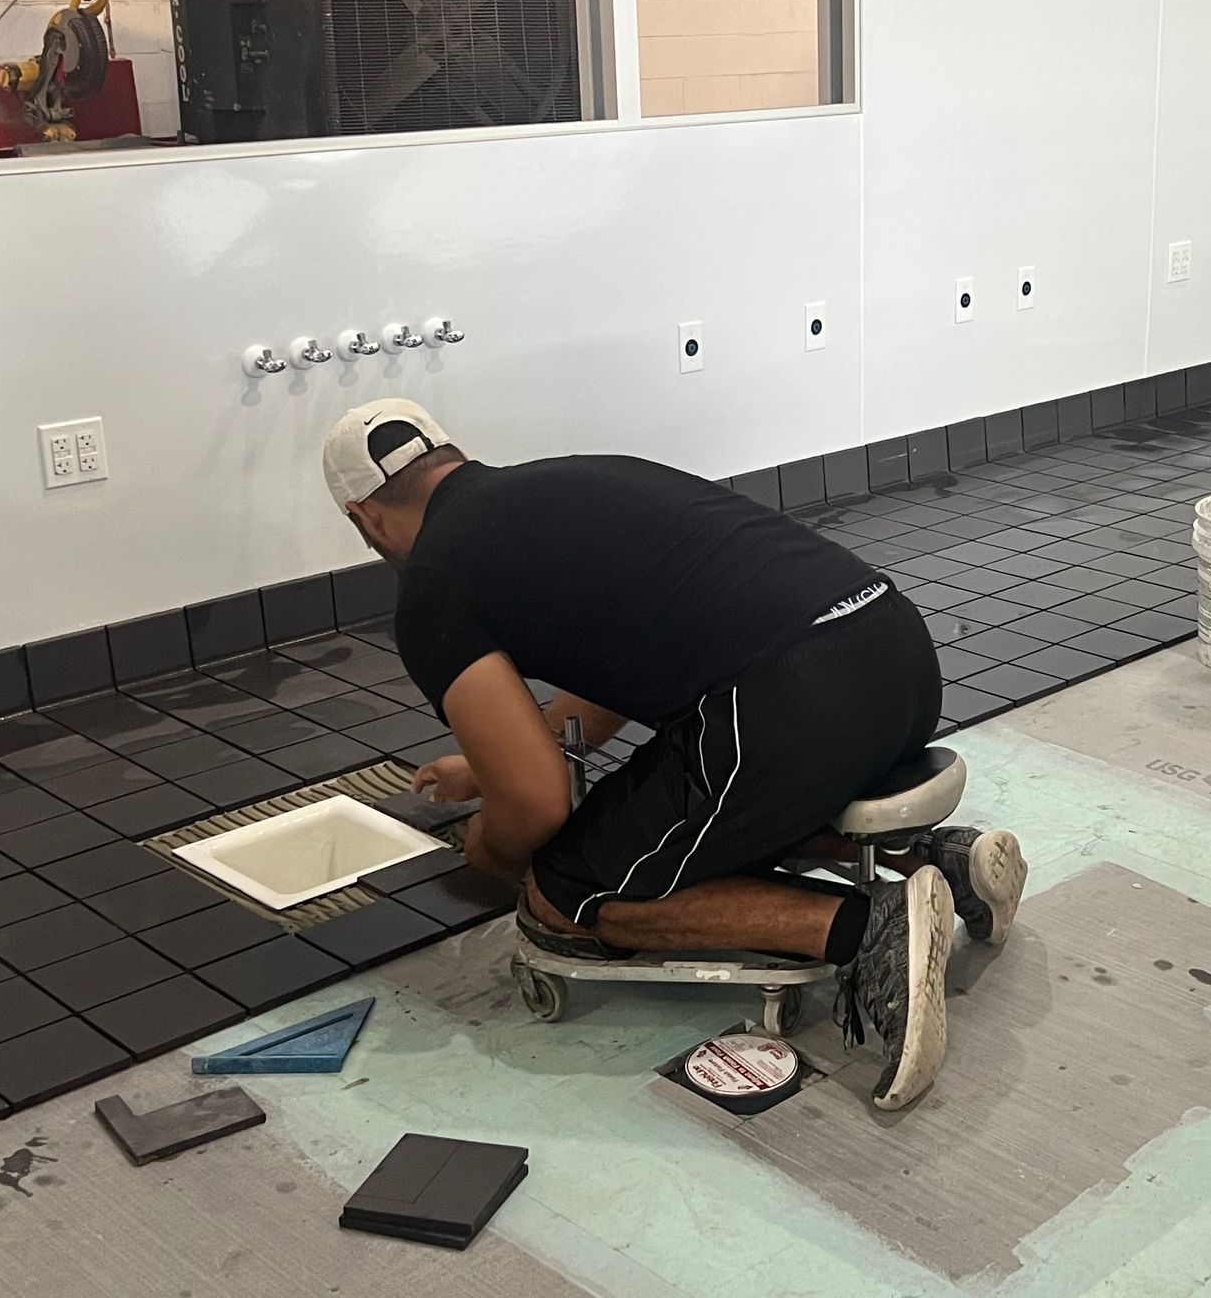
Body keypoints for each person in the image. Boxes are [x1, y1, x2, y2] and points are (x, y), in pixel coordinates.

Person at [319, 399, 1026, 1110]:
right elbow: (615, 665)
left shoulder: (433, 584)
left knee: (570, 888)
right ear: (449, 455)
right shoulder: (571, 480)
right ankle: (939, 860)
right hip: (898, 654)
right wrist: (490, 766)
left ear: (363, 518)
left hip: (794, 707)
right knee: (713, 810)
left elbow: (537, 802)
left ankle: (868, 929)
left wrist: (494, 848)